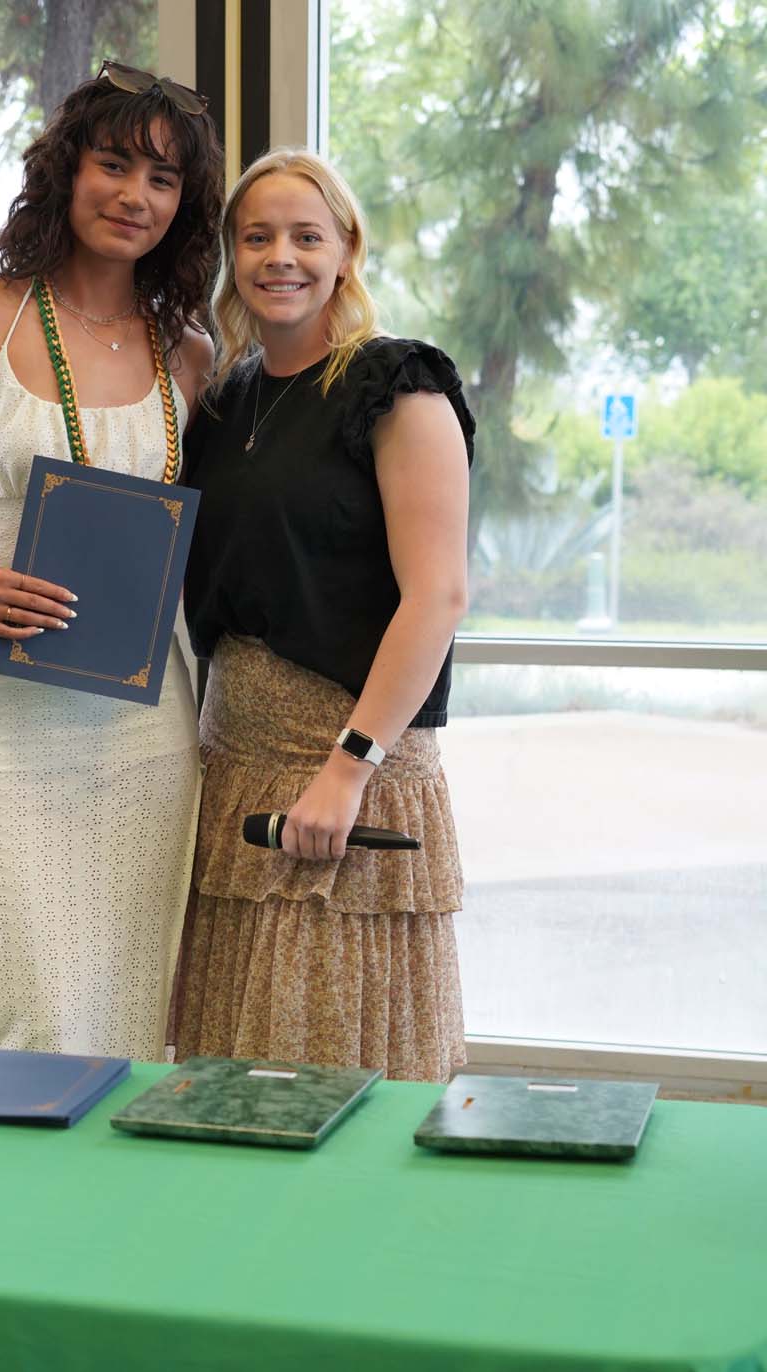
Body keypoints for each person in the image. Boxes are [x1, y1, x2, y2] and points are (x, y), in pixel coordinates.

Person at [0, 63, 223, 1059]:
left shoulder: (188, 352)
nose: (134, 196)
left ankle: (131, 1215)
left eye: (161, 180)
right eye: (114, 164)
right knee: (38, 1009)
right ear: (65, 172)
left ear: (183, 207)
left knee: (140, 1002)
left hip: (147, 724)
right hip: (10, 717)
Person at [168, 148, 474, 1081]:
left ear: (347, 249)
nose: (280, 257)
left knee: (336, 1071)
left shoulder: (397, 387)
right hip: (232, 779)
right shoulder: (220, 403)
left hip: (348, 771)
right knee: (228, 1076)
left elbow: (439, 596)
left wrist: (348, 769)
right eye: (255, 237)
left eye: (307, 235)